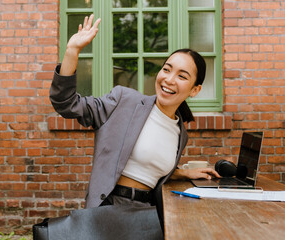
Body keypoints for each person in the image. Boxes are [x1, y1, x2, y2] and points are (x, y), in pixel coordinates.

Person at [50, 14, 220, 227]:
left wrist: (181, 173)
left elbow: (148, 167)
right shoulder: (124, 101)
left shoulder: (180, 132)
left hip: (148, 214)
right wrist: (72, 51)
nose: (169, 79)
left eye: (182, 76)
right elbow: (66, 103)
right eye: (166, 69)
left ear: (195, 90)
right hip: (110, 210)